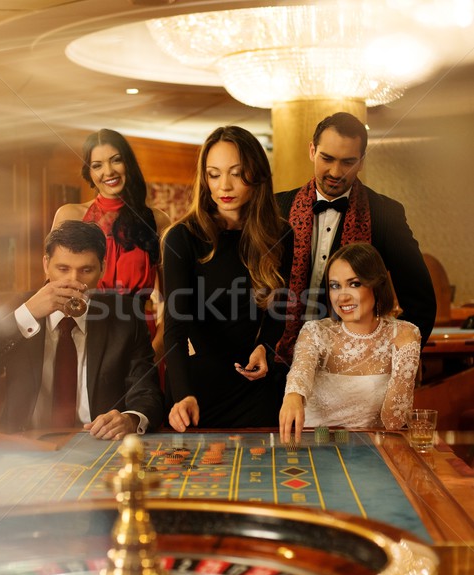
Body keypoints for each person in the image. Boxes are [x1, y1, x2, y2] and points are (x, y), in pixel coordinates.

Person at [275, 112, 435, 387]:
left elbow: (421, 303)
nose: (336, 172)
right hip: (277, 363)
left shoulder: (385, 213)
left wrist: (385, 359)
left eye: (348, 162)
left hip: (350, 372)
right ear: (312, 151)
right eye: (327, 159)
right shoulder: (275, 208)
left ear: (361, 161)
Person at [0, 221, 164, 439]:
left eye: (86, 270)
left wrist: (130, 418)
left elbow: (147, 392)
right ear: (46, 264)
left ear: (103, 268)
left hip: (96, 446)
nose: (73, 281)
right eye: (63, 269)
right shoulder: (17, 309)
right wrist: (27, 316)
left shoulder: (126, 315)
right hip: (23, 444)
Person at [162, 125, 294, 431]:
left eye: (236, 172)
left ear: (256, 174)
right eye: (214, 173)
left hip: (253, 385)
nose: (225, 185)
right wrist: (183, 395)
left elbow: (279, 307)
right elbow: (175, 329)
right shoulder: (182, 238)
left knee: (259, 476)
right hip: (196, 388)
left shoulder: (281, 234)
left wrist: (266, 347)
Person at [279, 242, 421, 443]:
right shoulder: (316, 331)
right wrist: (293, 395)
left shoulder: (405, 333)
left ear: (376, 285)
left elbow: (394, 422)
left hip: (371, 453)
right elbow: (300, 371)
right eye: (335, 286)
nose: (342, 297)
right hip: (315, 448)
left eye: (354, 284)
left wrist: (406, 352)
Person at [52, 128, 170, 362]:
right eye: (97, 165)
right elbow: (53, 289)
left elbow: (173, 299)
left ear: (129, 164)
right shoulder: (69, 215)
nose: (108, 171)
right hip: (84, 337)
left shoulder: (159, 221)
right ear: (89, 172)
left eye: (116, 160)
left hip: (142, 343)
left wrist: (155, 350)